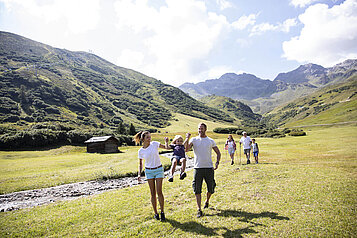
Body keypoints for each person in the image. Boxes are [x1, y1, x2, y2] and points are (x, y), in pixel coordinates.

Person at [186, 123, 221, 218]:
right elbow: (186, 149)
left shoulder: (210, 141)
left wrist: (217, 162)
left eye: (201, 128)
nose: (200, 130)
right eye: (198, 128)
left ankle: (207, 201)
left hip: (209, 168)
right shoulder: (194, 140)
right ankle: (199, 209)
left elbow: (218, 152)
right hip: (197, 168)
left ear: (205, 129)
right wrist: (187, 139)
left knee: (211, 187)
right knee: (197, 189)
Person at [134, 131, 169, 221]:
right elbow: (140, 164)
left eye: (150, 137)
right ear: (143, 139)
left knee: (159, 192)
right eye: (147, 137)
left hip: (158, 169)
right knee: (152, 193)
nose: (150, 139)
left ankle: (162, 212)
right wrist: (139, 174)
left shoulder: (155, 144)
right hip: (149, 171)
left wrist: (166, 141)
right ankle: (156, 213)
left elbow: (166, 147)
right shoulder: (141, 151)